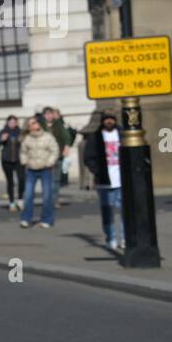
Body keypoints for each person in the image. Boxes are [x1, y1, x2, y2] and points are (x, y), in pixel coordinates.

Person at [83, 113, 124, 250]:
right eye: (106, 119)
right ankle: (111, 238)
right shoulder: (95, 137)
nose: (109, 121)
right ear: (102, 121)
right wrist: (97, 170)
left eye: (111, 119)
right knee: (107, 211)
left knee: (126, 211)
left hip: (123, 179)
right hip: (104, 181)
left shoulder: (122, 134)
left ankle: (125, 238)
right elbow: (88, 157)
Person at [20, 115, 60, 228]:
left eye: (35, 122)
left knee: (47, 195)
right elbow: (23, 151)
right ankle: (26, 219)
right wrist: (25, 162)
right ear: (29, 127)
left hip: (45, 168)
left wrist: (50, 162)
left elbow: (55, 150)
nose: (35, 124)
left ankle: (47, 219)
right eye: (32, 123)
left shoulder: (48, 137)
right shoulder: (27, 138)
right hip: (31, 168)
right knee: (28, 195)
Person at [40, 106, 74, 206]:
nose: (49, 116)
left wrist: (66, 147)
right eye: (46, 114)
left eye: (50, 114)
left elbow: (66, 136)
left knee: (56, 180)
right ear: (44, 115)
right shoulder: (40, 126)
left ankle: (54, 200)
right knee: (46, 179)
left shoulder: (58, 125)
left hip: (58, 155)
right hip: (44, 157)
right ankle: (47, 199)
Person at [0, 115, 24, 211]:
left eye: (14, 122)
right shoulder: (3, 132)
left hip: (18, 160)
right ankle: (11, 202)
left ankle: (20, 200)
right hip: (6, 160)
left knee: (21, 179)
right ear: (7, 123)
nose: (12, 124)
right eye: (10, 122)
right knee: (10, 181)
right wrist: (1, 140)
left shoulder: (20, 132)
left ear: (17, 123)